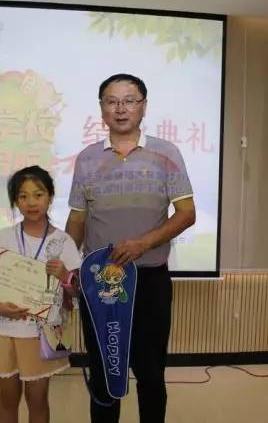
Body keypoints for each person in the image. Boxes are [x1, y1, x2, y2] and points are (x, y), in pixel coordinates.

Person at [65, 74, 196, 423]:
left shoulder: (166, 154)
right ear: (102, 110)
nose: (121, 108)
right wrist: (66, 268)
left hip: (149, 280)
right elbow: (77, 219)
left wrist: (143, 244)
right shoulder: (87, 158)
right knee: (104, 370)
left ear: (144, 106)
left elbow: (187, 214)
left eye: (129, 100)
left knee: (150, 371)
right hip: (100, 282)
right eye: (112, 101)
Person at [0, 165, 81, 423]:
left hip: (40, 335)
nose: (31, 202)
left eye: (38, 194)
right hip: (3, 331)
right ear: (16, 201)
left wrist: (65, 275)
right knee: (8, 398)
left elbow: (76, 291)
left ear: (50, 197)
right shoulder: (3, 237)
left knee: (38, 399)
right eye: (23, 196)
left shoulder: (64, 242)